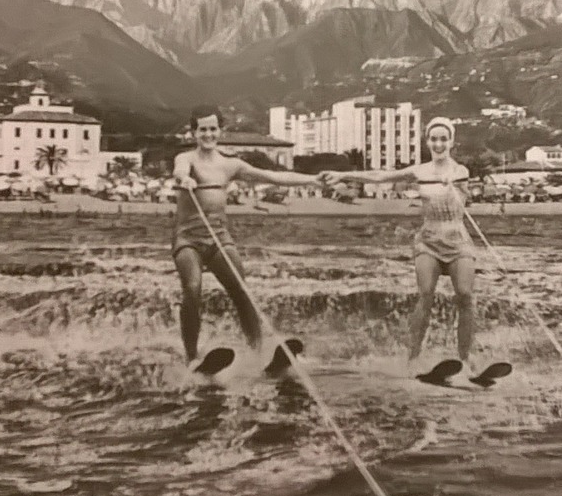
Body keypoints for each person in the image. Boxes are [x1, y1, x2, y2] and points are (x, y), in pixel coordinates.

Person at [320, 117, 477, 373]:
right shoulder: (419, 172)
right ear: (427, 142)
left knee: (465, 295)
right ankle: (413, 359)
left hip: (458, 241)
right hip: (429, 241)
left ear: (451, 142)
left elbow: (458, 187)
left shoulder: (460, 171)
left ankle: (466, 359)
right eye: (433, 139)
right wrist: (343, 174)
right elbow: (379, 176)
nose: (438, 143)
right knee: (425, 295)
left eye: (443, 139)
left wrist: (449, 183)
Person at [172, 105, 319, 366]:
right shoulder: (187, 160)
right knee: (192, 288)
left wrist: (312, 181)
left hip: (219, 239)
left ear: (220, 130)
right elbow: (179, 169)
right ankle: (191, 358)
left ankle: (257, 353)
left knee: (242, 291)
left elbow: (273, 176)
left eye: (213, 128)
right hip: (188, 241)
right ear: (193, 132)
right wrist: (185, 179)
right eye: (202, 129)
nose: (208, 134)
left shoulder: (231, 164)